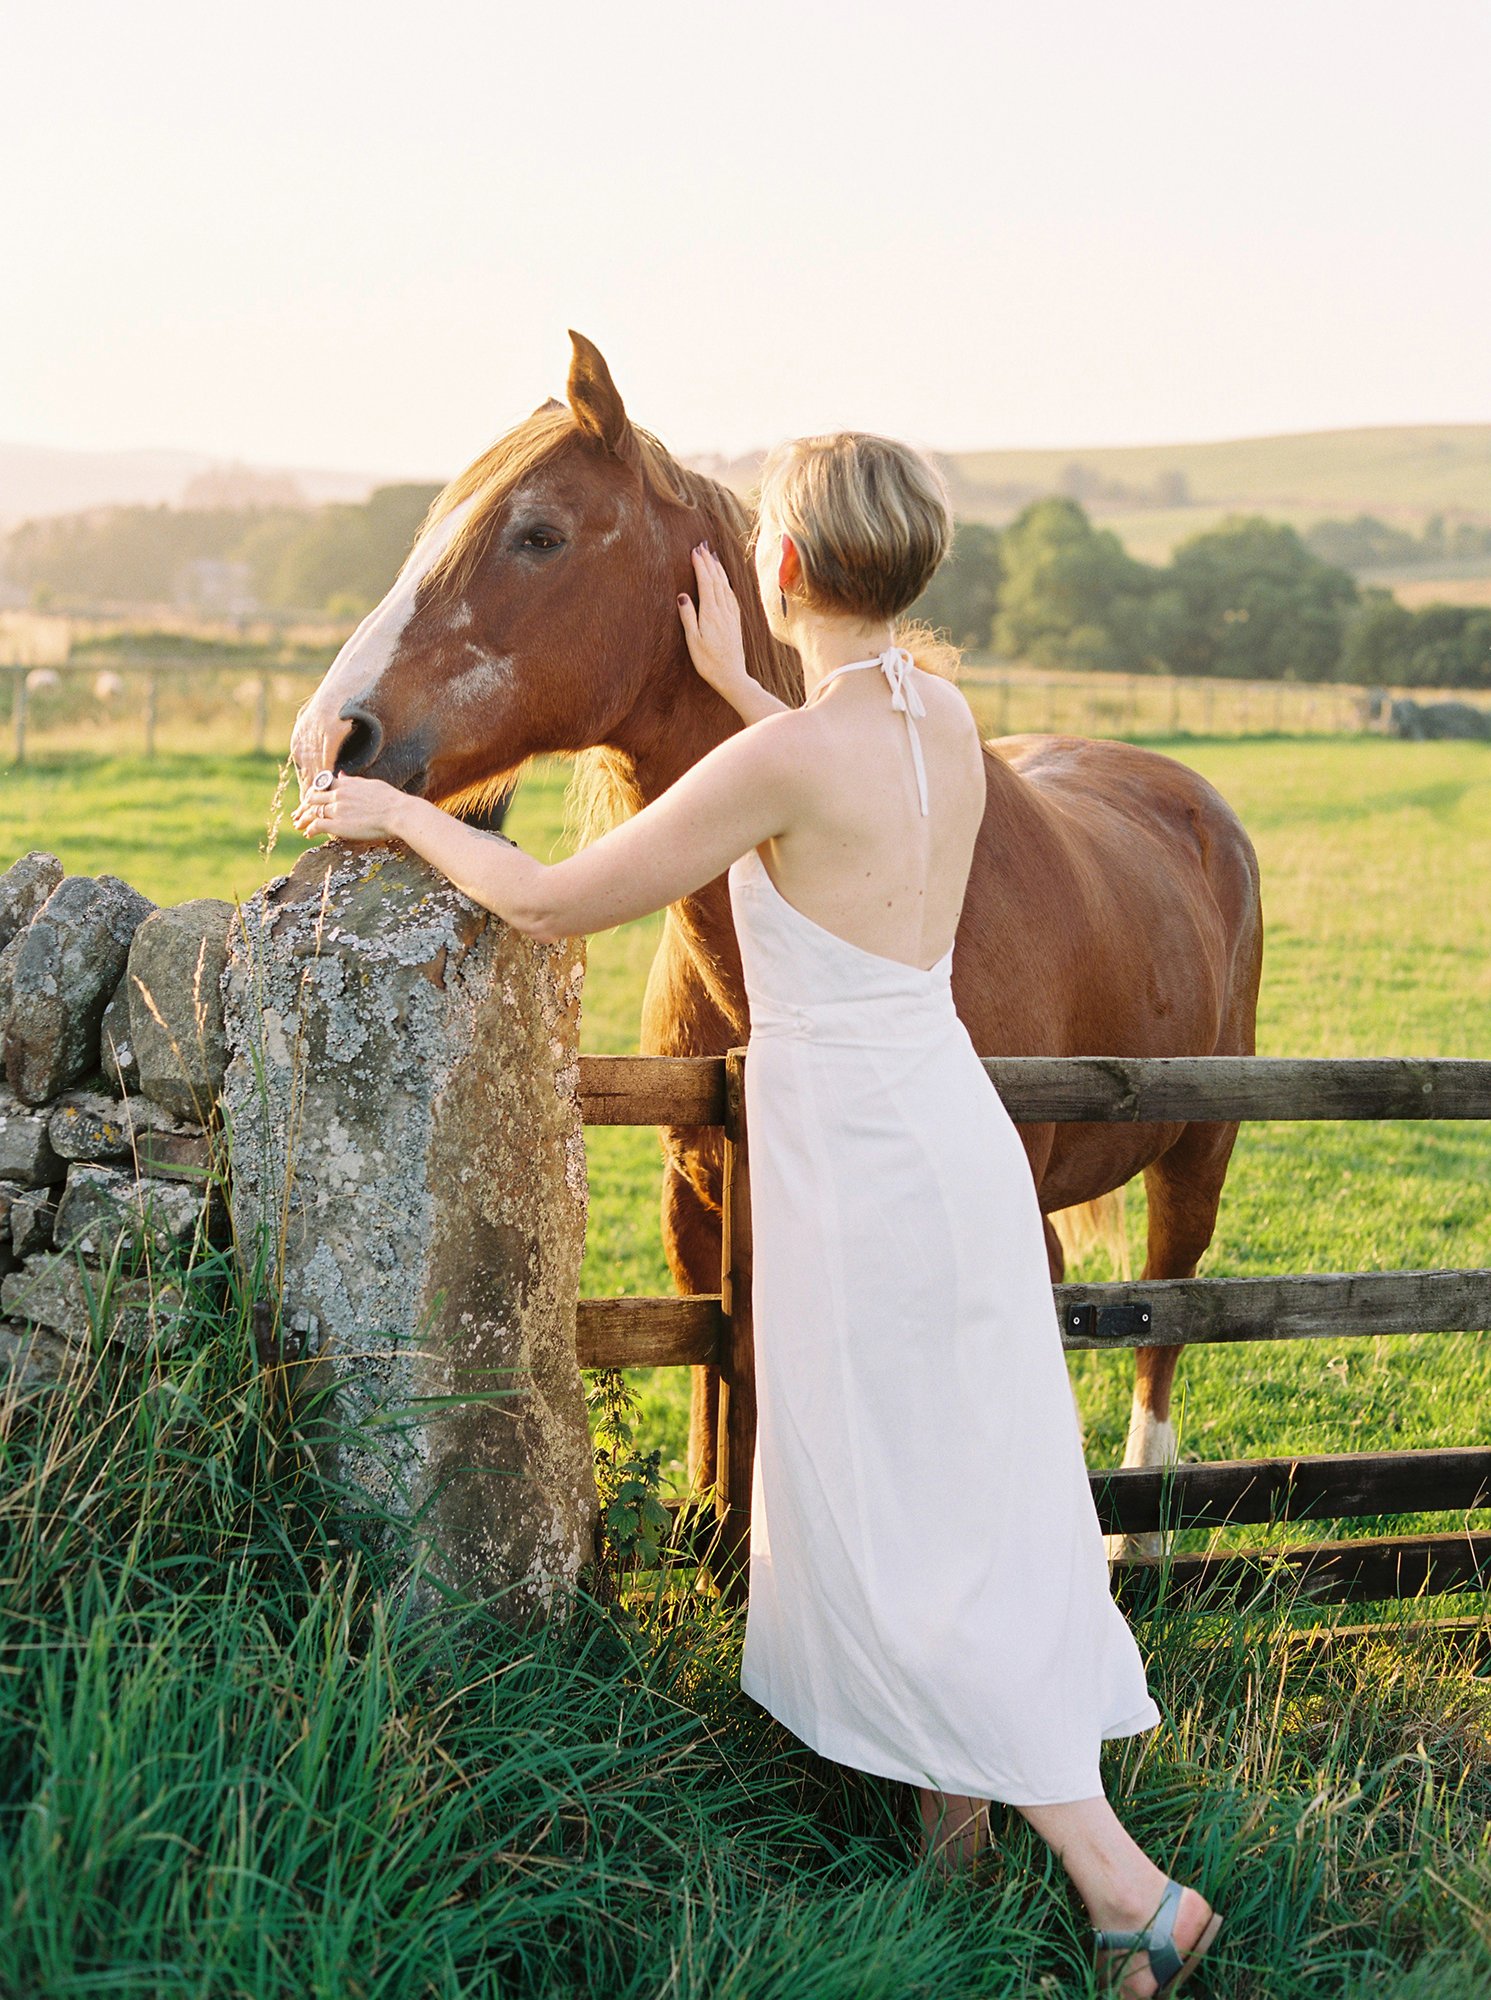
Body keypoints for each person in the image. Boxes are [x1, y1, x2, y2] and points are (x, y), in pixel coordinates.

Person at [291, 431, 1223, 1997]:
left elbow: (554, 897)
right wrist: (733, 682)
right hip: (950, 1152)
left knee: (904, 1524)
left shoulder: (787, 759)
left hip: (858, 1175)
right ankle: (960, 1850)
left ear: (777, 569)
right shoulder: (937, 713)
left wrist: (406, 821)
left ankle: (1130, 1890)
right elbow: (824, 774)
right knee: (959, 1501)